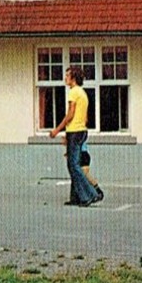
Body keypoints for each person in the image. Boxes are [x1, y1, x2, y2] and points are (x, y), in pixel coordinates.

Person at [49, 67, 101, 207]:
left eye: (67, 75)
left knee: (73, 165)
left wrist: (57, 130)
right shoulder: (82, 93)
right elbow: (83, 117)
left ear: (73, 78)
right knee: (74, 165)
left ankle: (89, 195)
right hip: (81, 131)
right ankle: (76, 197)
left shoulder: (73, 92)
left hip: (75, 131)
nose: (65, 78)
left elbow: (70, 115)